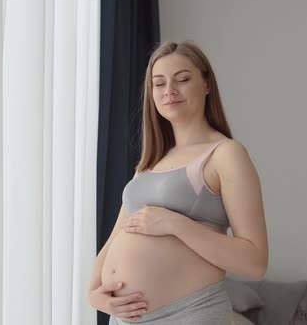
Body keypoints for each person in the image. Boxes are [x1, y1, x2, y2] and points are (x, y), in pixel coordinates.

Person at [87, 41, 268, 325]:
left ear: (206, 84)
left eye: (182, 79)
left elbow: (255, 262)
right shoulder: (149, 163)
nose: (169, 90)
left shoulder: (225, 154)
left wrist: (175, 225)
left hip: (190, 314)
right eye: (159, 84)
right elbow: (117, 236)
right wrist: (94, 294)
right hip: (124, 319)